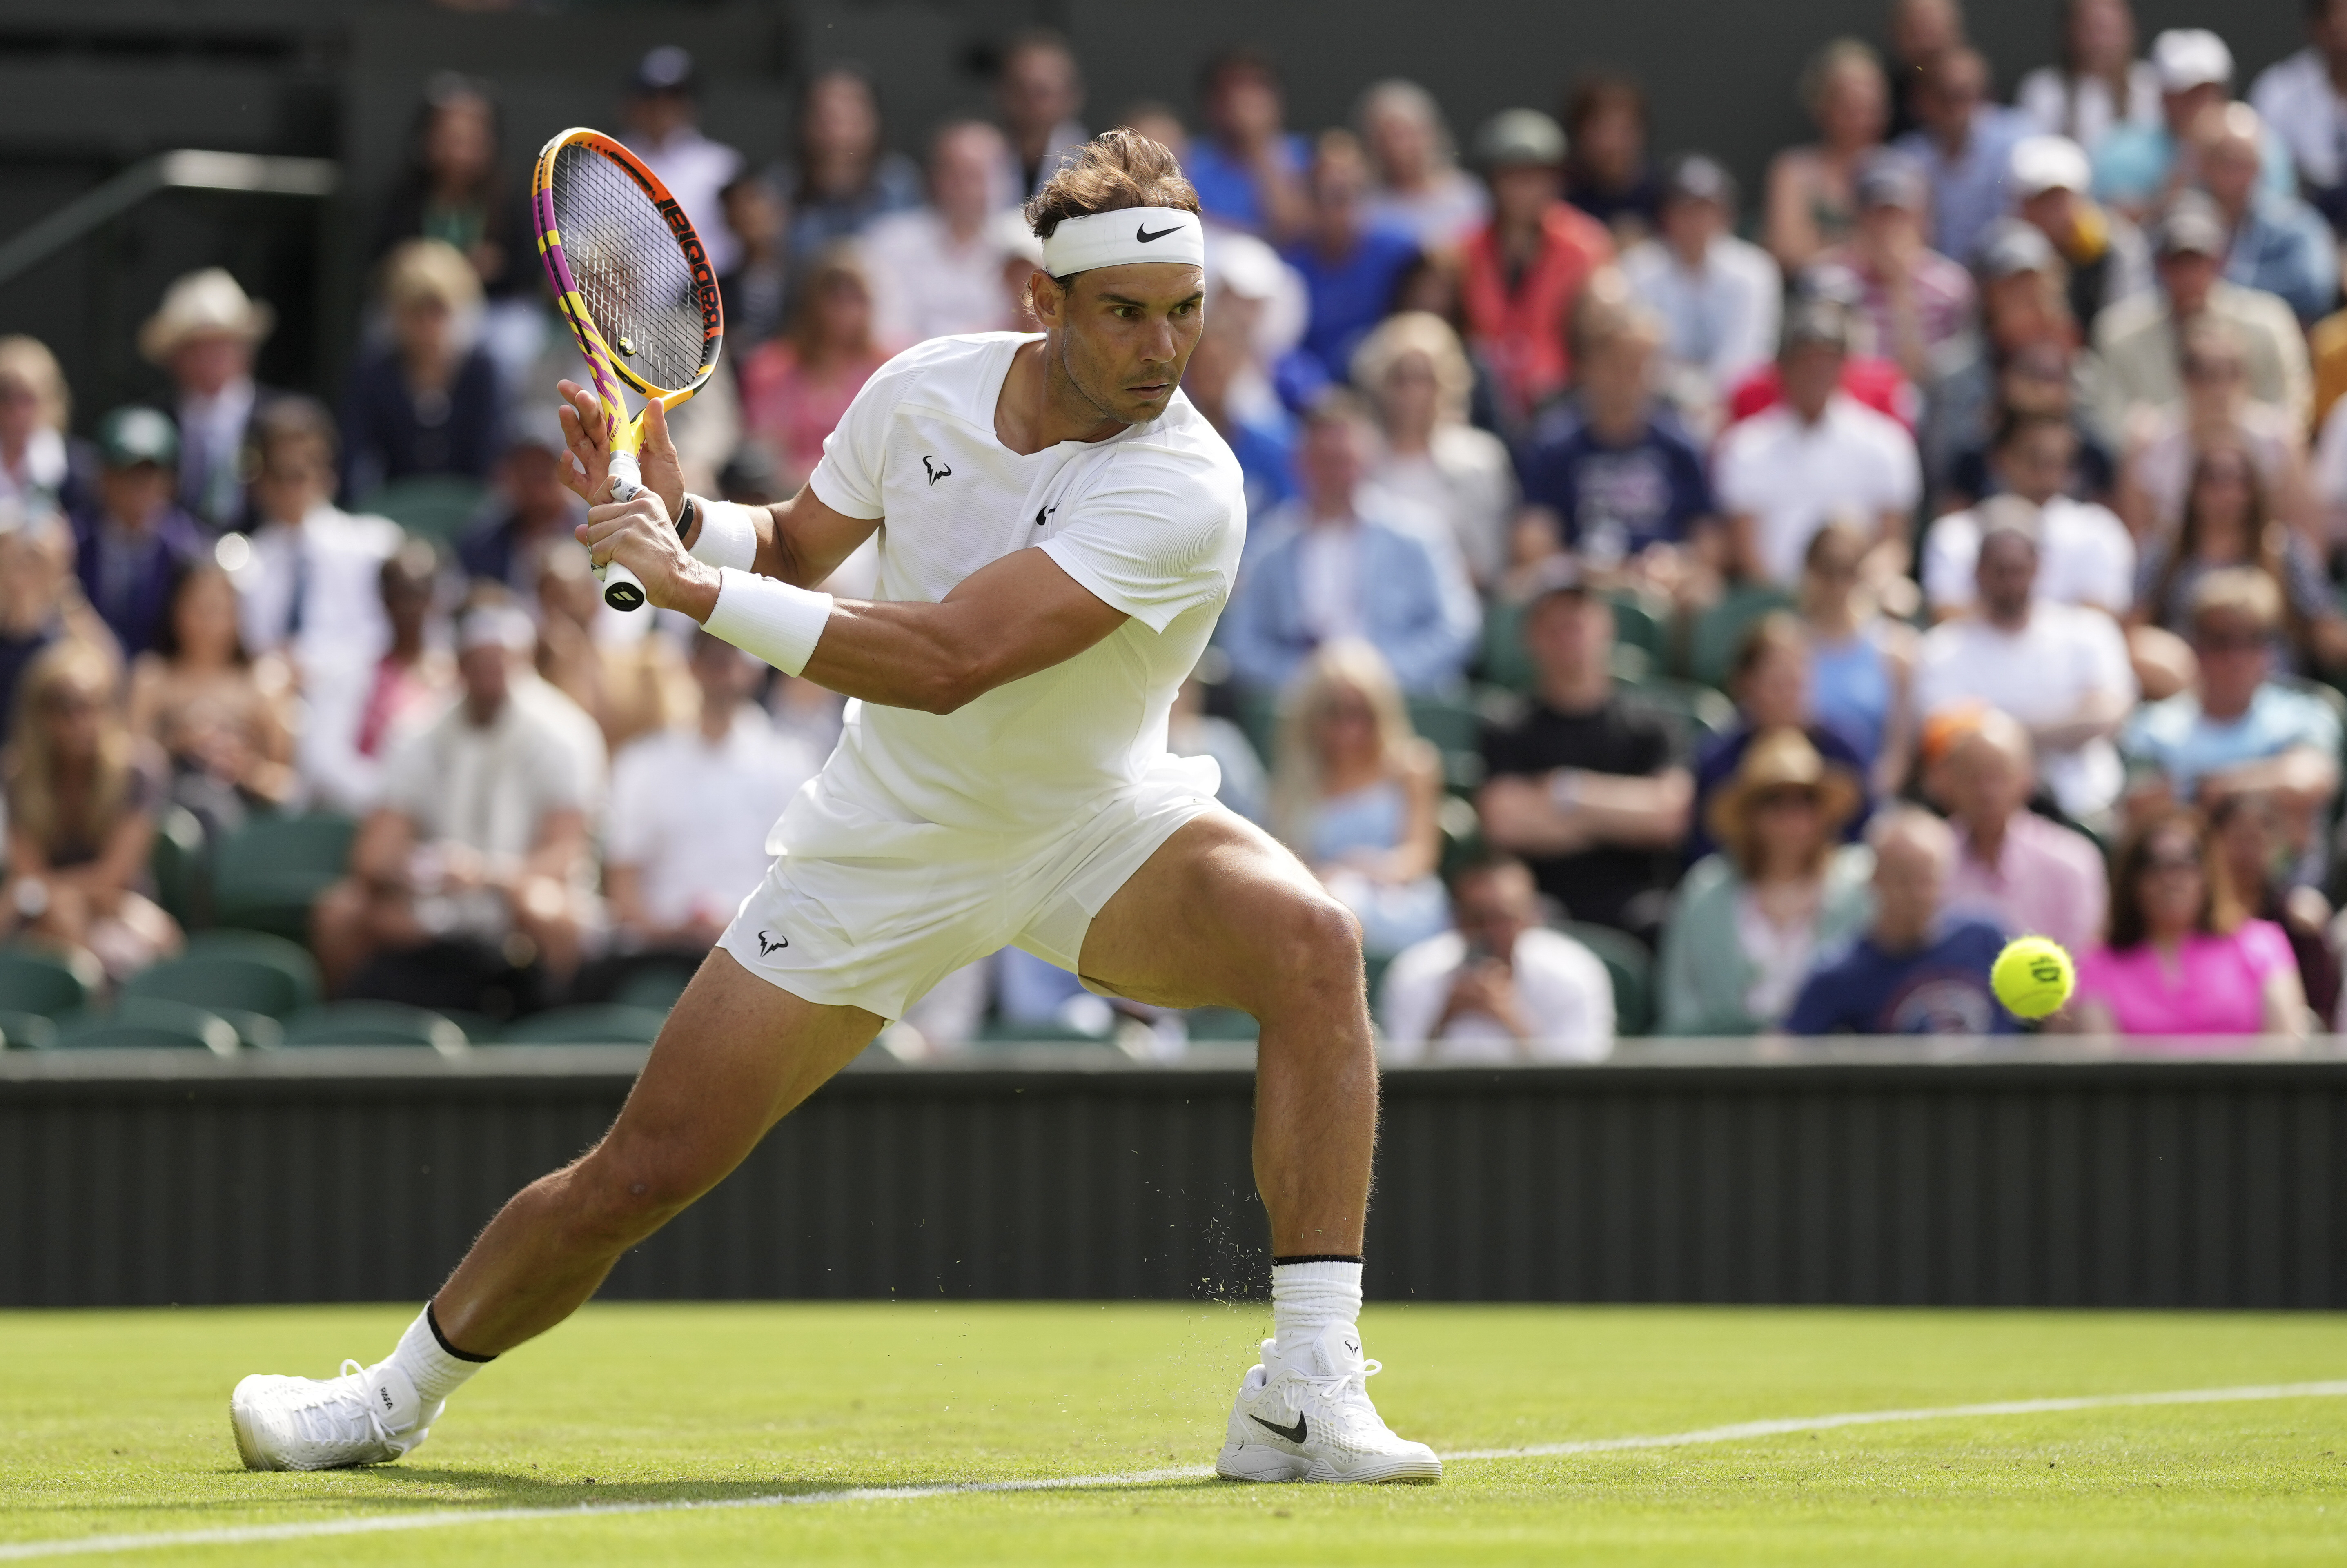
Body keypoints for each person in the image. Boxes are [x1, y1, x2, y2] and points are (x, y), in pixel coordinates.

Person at [230, 129, 1442, 1486]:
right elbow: (796, 545)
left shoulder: (1188, 483)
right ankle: (387, 1399)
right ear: (1041, 301)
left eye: (1182, 312)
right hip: (886, 840)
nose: (1162, 350)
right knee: (640, 1172)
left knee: (1311, 945)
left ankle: (1304, 1389)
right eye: (1123, 313)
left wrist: (689, 589)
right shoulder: (921, 390)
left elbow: (949, 660)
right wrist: (679, 516)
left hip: (1094, 828)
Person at [308, 601, 603, 1003]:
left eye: (501, 661)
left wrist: (488, 876)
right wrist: (420, 872)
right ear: (460, 663)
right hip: (434, 909)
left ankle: (556, 1025)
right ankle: (355, 1026)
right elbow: (374, 856)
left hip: (515, 904)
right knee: (343, 912)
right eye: (478, 662)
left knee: (544, 907)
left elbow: (567, 855)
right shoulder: (417, 732)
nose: (490, 674)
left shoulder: (565, 735)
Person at [1476, 559, 1692, 940]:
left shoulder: (1653, 723)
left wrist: (1565, 791)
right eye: (1554, 625)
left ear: (1606, 626)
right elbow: (1505, 823)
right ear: (1530, 638)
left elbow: (1667, 817)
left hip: (1637, 907)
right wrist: (1622, 819)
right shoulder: (1508, 727)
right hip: (1542, 909)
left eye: (1578, 621)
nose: (1568, 635)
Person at [1220, 392, 1479, 697]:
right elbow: (1242, 643)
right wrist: (1306, 681)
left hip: (1403, 700)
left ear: (1368, 459)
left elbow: (1458, 627)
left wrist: (1379, 678)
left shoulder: (1418, 535)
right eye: (1323, 461)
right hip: (1299, 704)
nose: (1334, 474)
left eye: (1344, 461)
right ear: (1300, 464)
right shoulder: (1270, 547)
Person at [606, 631, 826, 958]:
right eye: (712, 655)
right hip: (659, 953)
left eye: (735, 653)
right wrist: (666, 932)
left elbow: (807, 880)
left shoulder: (795, 764)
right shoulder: (641, 763)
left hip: (760, 952)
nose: (723, 666)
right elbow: (623, 882)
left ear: (757, 669)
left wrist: (745, 929)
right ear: (691, 665)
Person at [1914, 507, 2137, 821]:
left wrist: (1998, 730)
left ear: (2038, 567)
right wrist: (2065, 724)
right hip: (1981, 815)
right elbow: (1949, 738)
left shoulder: (2089, 633)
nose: (2010, 582)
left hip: (2083, 808)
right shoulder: (1943, 648)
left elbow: (2108, 715)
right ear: (1978, 571)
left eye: (2018, 570)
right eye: (1999, 570)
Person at [1655, 726, 1873, 1036]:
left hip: (1831, 1059)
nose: (1792, 816)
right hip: (1724, 1060)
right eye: (1774, 801)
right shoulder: (1704, 890)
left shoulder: (1860, 885)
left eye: (1806, 800)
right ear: (1750, 814)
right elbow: (1681, 1006)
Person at [2121, 570, 2344, 858]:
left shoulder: (2306, 711)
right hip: (2193, 876)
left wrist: (2208, 791)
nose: (2237, 657)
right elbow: (2142, 809)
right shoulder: (2153, 726)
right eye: (2222, 641)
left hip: (2285, 882)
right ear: (2197, 648)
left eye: (2253, 640)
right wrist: (2261, 790)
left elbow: (2308, 785)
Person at [0, 641, 179, 980]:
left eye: (92, 704)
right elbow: (27, 869)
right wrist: (39, 896)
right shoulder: (19, 777)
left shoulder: (139, 771)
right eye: (63, 706)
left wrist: (35, 893)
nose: (79, 720)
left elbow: (114, 876)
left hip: (119, 905)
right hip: (43, 915)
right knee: (57, 914)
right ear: (39, 714)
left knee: (152, 936)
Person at [1713, 300, 1922, 588]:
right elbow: (1746, 552)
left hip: (1860, 598)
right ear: (1783, 366)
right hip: (1774, 601)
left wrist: (1850, 593)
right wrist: (1791, 600)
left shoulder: (1886, 442)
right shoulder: (1745, 447)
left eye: (1827, 360)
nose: (1816, 371)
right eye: (1806, 360)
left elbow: (1893, 546)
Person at [1266, 640, 1449, 960]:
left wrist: (1361, 869)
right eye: (1334, 713)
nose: (1349, 729)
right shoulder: (1294, 783)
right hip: (1321, 900)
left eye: (1361, 713)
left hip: (1401, 901)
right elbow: (1291, 864)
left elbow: (1420, 856)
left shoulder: (1412, 767)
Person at [1515, 290, 1715, 581]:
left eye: (1641, 365)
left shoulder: (1679, 443)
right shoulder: (1554, 444)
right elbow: (1532, 539)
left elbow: (1710, 539)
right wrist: (1580, 568)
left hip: (1661, 590)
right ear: (1587, 367)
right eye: (1616, 364)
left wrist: (1677, 563)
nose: (1628, 378)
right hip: (1582, 588)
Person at [2064, 809, 2309, 1040]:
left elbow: (2286, 1048)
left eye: (2186, 862)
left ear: (2208, 873)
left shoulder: (2261, 945)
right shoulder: (2097, 963)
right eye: (2153, 864)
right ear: (2132, 879)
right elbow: (2101, 1061)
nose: (2170, 880)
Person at [371, 74, 537, 394]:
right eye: (449, 135)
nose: (460, 148)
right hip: (419, 309)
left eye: (472, 137)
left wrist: (494, 268)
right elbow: (384, 264)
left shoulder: (508, 200)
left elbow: (525, 273)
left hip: (489, 314)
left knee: (515, 342)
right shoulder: (403, 199)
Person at [2093, 195, 2312, 437]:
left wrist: (2234, 446)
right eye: (2177, 264)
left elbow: (2292, 410)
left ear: (2221, 263)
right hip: (2153, 460)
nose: (2189, 276)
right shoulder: (2120, 334)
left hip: (2254, 459)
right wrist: (2170, 447)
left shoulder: (2268, 324)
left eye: (2198, 263)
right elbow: (2111, 420)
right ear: (2160, 267)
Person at [1785, 807, 2013, 1036]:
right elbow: (1786, 1046)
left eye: (1926, 880)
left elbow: (2034, 1023)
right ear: (1875, 880)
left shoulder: (1985, 940)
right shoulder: (1841, 973)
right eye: (1903, 880)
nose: (1916, 894)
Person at [1459, 109, 1615, 428]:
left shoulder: (1585, 245)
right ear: (1492, 181)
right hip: (1482, 398)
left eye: (1536, 177)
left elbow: (1601, 333)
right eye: (1512, 176)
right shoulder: (1463, 248)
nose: (1524, 188)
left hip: (1563, 397)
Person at [1378, 853, 1614, 1062]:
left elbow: (1582, 1081)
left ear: (1530, 918)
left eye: (1503, 919)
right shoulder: (1414, 973)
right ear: (1456, 919)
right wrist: (1445, 1017)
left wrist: (1512, 1020)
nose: (1489, 932)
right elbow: (1398, 1082)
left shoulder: (1574, 973)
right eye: (1476, 918)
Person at [2130, 447, 2345, 675]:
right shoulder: (2165, 553)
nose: (2226, 491)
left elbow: (2326, 632)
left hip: (2275, 685)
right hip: (2188, 686)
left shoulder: (2283, 550)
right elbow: (2132, 632)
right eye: (2213, 479)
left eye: (2238, 481)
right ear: (2193, 488)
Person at [127, 559, 298, 839]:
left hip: (245, 821)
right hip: (163, 817)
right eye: (197, 608)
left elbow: (288, 786)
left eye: (217, 609)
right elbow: (126, 767)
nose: (207, 622)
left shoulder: (264, 682)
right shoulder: (152, 678)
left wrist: (244, 768)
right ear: (175, 611)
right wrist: (176, 745)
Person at [1687, 612, 1873, 866]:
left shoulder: (1843, 751)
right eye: (1778, 683)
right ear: (1745, 683)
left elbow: (1862, 838)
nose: (1790, 696)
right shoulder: (1716, 761)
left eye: (1797, 682)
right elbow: (1704, 847)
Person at [1349, 312, 1516, 592]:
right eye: (1400, 379)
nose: (1413, 393)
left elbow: (1492, 560)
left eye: (1424, 379)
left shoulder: (1481, 461)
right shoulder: (1360, 459)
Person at [231, 399, 402, 668]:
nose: (294, 485)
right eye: (281, 471)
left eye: (307, 468)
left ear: (330, 473)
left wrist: (319, 666)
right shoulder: (240, 564)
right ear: (259, 480)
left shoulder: (379, 546)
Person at [2114, 316, 2315, 542]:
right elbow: (2137, 541)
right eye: (2204, 372)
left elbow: (2308, 538)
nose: (2220, 387)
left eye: (2232, 370)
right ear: (2183, 378)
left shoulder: (2280, 440)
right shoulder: (2149, 442)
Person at [1619, 155, 1782, 434]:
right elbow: (1641, 354)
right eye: (1685, 210)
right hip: (1658, 406)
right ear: (1666, 215)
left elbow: (1750, 353)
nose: (1696, 221)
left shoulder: (1755, 271)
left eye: (1706, 210)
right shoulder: (1638, 269)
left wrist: (1711, 400)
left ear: (1726, 216)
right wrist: (1687, 397)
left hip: (1734, 408)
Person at [1933, 708, 2108, 956]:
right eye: (1973, 777)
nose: (1987, 791)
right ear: (1949, 782)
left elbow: (2085, 961)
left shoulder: (2073, 860)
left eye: (1998, 776)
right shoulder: (1923, 859)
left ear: (2027, 777)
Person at [298, 541, 456, 814]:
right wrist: (387, 799)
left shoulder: (456, 678)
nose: (409, 607)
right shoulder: (348, 673)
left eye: (419, 595)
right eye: (398, 595)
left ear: (434, 600)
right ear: (383, 600)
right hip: (361, 815)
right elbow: (323, 761)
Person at [341, 239, 503, 500]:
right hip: (392, 511)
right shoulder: (373, 375)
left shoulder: (481, 373)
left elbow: (489, 462)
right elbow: (354, 457)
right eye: (416, 312)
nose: (428, 326)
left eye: (438, 312)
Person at [1924, 429, 2135, 621]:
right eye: (2035, 460)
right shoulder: (1954, 534)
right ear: (2000, 460)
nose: (2046, 475)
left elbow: (2101, 624)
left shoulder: (2099, 529)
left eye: (2057, 462)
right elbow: (1948, 617)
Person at [1802, 150, 1975, 384]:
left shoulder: (1950, 286)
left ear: (1921, 218)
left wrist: (1899, 287)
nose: (1888, 228)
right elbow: (1832, 372)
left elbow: (1924, 379)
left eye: (1899, 215)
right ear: (1859, 218)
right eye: (1879, 215)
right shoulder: (1827, 280)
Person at [2095, 29, 2298, 218]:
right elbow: (2111, 223)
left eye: (2207, 91)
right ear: (2164, 97)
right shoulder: (2121, 152)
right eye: (2185, 93)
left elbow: (2279, 217)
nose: (2200, 104)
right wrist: (2167, 200)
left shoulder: (2264, 146)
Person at [735, 245, 887, 488]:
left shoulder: (888, 367)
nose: (845, 311)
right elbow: (764, 449)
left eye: (856, 299)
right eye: (835, 298)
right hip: (787, 493)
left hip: (867, 491)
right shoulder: (770, 368)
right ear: (811, 303)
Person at [1282, 131, 1422, 392]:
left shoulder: (1400, 252)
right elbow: (1282, 350)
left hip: (1387, 389)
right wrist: (1317, 394)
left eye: (1352, 194)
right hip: (1318, 400)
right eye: (1330, 196)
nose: (1342, 209)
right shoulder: (1290, 267)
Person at [863, 121, 1021, 351]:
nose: (964, 187)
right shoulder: (889, 241)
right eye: (953, 173)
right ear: (933, 176)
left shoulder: (1028, 246)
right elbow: (883, 330)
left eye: (975, 175)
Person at [140, 268, 278, 532]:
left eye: (223, 344)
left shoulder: (281, 418)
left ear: (246, 349)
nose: (211, 358)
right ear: (174, 357)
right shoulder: (150, 424)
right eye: (196, 347)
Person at [533, 543, 695, 758]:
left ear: (592, 602)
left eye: (565, 597)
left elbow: (679, 736)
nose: (558, 612)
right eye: (548, 600)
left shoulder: (649, 666)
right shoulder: (527, 676)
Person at [72, 407, 205, 658]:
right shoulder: (70, 543)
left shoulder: (191, 551)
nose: (139, 488)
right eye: (127, 474)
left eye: (150, 475)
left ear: (171, 482)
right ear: (103, 479)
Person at [1798, 520, 1917, 793]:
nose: (1837, 583)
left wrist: (1870, 796)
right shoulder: (1791, 645)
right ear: (1810, 571)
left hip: (1873, 793)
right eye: (1827, 568)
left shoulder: (1895, 649)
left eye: (1848, 570)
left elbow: (1899, 750)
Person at [2192, 102, 2338, 325]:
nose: (2238, 171)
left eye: (2247, 161)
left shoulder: (2297, 224)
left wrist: (2218, 287)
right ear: (2203, 164)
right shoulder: (2181, 221)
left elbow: (2314, 289)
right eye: (2226, 159)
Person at [2206, 789, 2341, 1024]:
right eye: (2239, 838)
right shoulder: (2193, 918)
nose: (2248, 852)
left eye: (2258, 840)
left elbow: (2322, 1009)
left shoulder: (2296, 921)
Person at [774, 65, 922, 272]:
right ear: (803, 123)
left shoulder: (900, 185)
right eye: (826, 118)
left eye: (851, 118)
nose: (838, 133)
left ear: (875, 122)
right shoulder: (779, 189)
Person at [1894, 45, 2030, 266]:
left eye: (1964, 95)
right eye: (1944, 96)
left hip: (2008, 270)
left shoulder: (2020, 140)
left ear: (1986, 96)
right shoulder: (1907, 157)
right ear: (1923, 100)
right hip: (1935, 278)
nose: (1955, 107)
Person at [1765, 38, 1891, 272]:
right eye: (1849, 106)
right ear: (1822, 105)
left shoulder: (1903, 169)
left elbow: (1909, 251)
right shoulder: (1793, 170)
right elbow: (1787, 252)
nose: (1860, 117)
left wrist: (1822, 243)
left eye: (1869, 105)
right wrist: (1865, 248)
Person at [2010, 133, 2154, 332]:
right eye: (2042, 201)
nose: (2053, 212)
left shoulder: (2118, 244)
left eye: (2060, 199)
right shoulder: (2005, 255)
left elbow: (2126, 320)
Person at [619, 47, 744, 276]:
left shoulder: (723, 166)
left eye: (674, 96)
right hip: (619, 296)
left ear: (692, 104)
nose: (661, 106)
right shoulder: (595, 167)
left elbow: (743, 245)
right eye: (650, 95)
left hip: (708, 295)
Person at [456, 412, 588, 596]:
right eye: (525, 468)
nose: (535, 480)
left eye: (544, 467)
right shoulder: (480, 548)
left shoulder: (599, 530)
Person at [1183, 47, 1308, 238]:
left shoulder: (1307, 156)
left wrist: (1257, 145)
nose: (1249, 99)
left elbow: (1296, 228)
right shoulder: (1189, 163)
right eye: (1237, 87)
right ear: (1213, 103)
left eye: (1260, 86)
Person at [1355, 79, 1488, 251]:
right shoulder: (1364, 207)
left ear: (1431, 133)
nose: (1398, 147)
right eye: (1385, 137)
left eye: (1406, 133)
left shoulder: (1470, 197)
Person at [2250, 0, 2347, 229]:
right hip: (2297, 218)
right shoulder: (2278, 88)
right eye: (2338, 17)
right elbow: (2265, 177)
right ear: (2316, 26)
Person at [2018, 0, 2162, 152]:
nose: (2103, 41)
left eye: (2112, 30)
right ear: (2070, 31)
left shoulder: (2150, 85)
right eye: (2093, 29)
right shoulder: (2045, 91)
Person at [1559, 74, 1658, 245]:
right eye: (1603, 130)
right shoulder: (1558, 194)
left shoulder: (1665, 196)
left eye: (1625, 130)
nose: (1614, 144)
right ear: (1579, 133)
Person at [0, 336, 91, 521]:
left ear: (49, 400)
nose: (17, 410)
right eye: (6, 396)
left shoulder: (79, 470)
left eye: (27, 398)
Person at [993, 30, 1088, 204]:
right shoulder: (972, 159)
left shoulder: (1093, 166)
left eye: (1042, 91)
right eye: (1020, 88)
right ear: (1001, 91)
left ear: (1073, 96)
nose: (1030, 101)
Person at [714, 173, 790, 352]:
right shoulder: (710, 291)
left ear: (780, 210)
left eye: (754, 200)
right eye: (736, 205)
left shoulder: (809, 281)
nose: (747, 212)